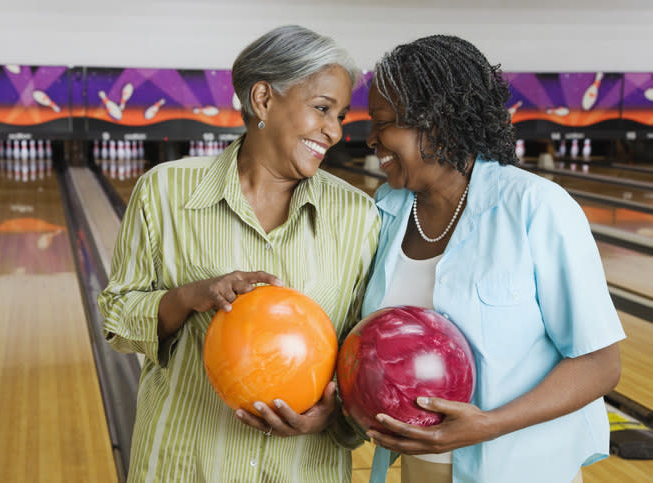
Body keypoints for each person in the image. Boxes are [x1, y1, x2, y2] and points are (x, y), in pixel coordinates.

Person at [97, 25, 380, 482]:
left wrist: (333, 415)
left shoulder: (359, 218)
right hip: (185, 465)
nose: (333, 131)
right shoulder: (164, 193)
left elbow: (363, 358)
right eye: (323, 109)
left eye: (341, 116)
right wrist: (189, 297)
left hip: (302, 468)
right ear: (263, 100)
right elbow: (117, 321)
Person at [358, 35, 625, 483]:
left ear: (437, 123)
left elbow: (600, 364)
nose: (369, 139)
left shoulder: (537, 208)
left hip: (521, 469)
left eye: (384, 123)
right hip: (420, 469)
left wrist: (489, 425)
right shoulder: (386, 211)